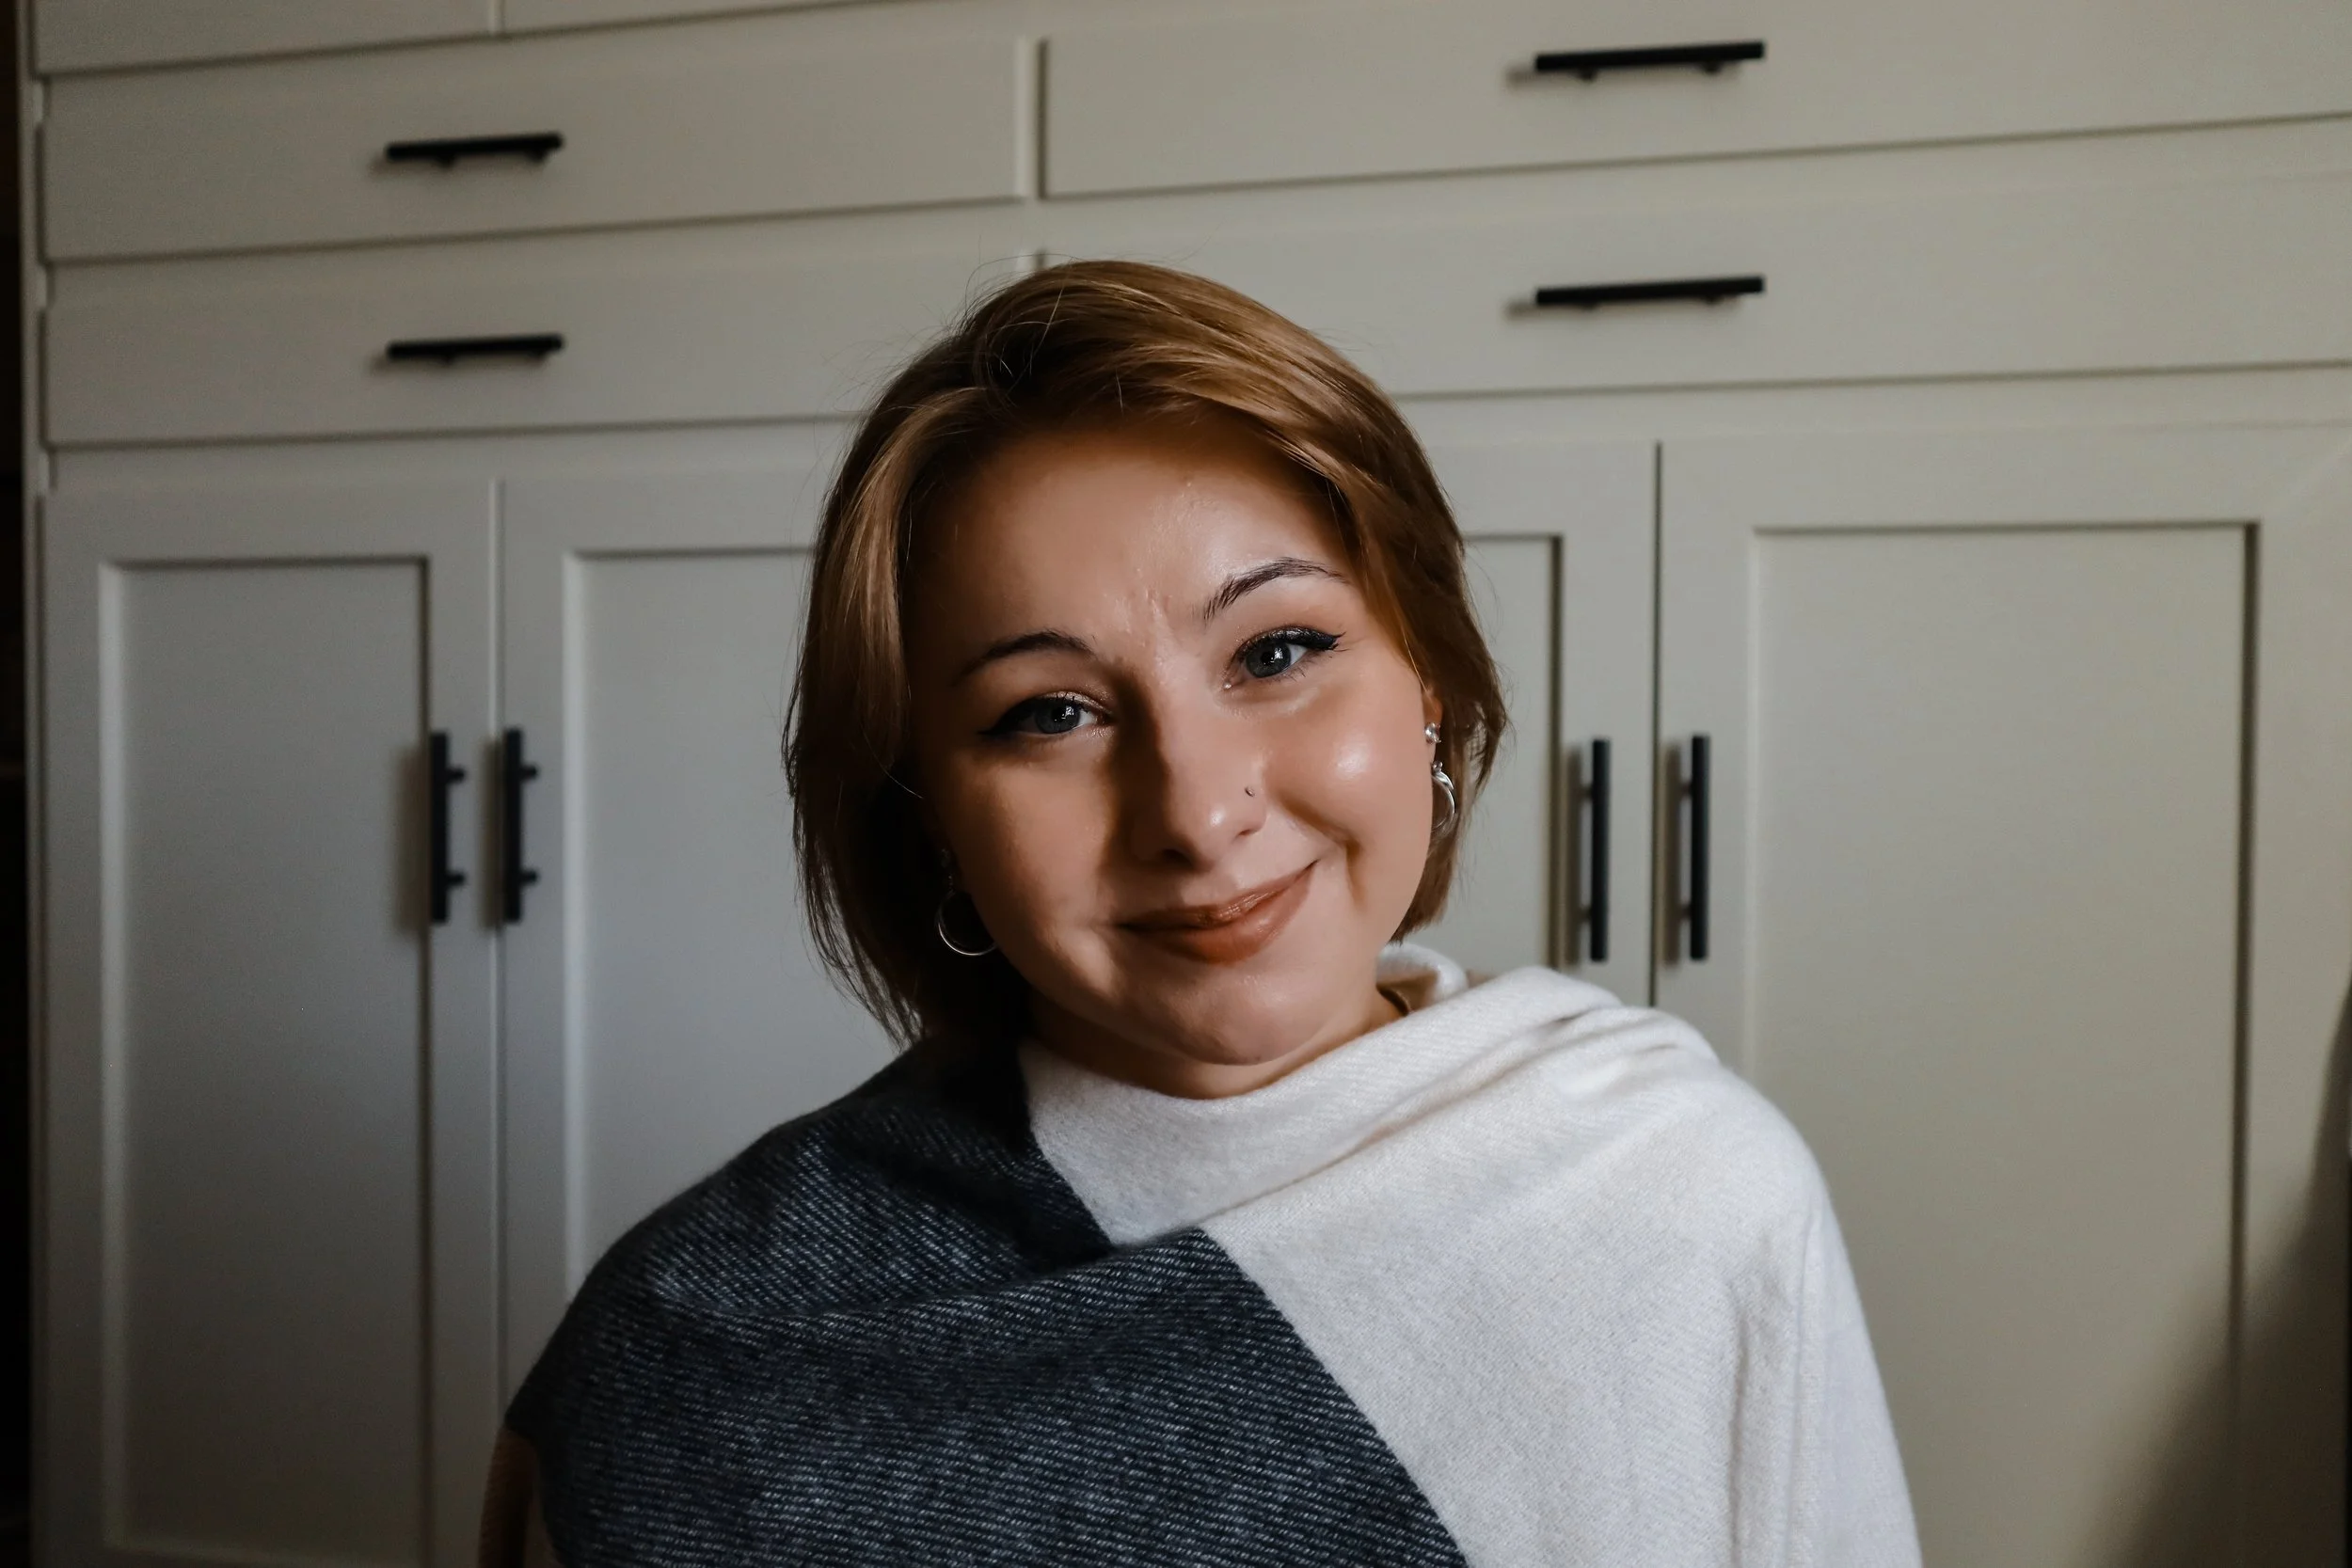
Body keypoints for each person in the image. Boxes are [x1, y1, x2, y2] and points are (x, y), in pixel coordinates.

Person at [479, 260, 1921, 1566]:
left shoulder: (1685, 1195)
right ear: (928, 808)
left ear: (1428, 676)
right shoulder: (698, 1349)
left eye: (1278, 648)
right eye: (1049, 712)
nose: (1194, 808)